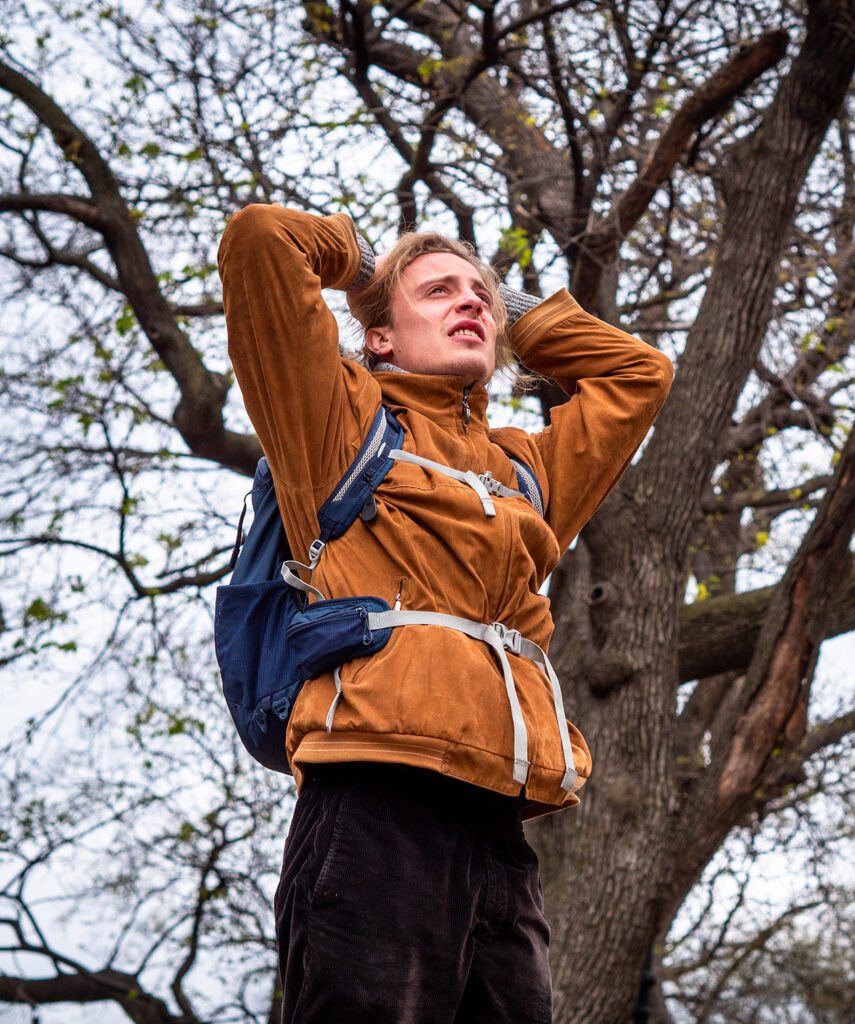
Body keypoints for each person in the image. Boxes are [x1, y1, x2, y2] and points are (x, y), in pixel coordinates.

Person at [217, 204, 672, 1024]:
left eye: (478, 298)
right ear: (379, 337)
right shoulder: (339, 425)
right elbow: (261, 239)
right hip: (375, 799)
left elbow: (638, 376)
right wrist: (370, 275)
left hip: (499, 827)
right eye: (436, 293)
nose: (468, 304)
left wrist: (506, 306)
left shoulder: (525, 472)